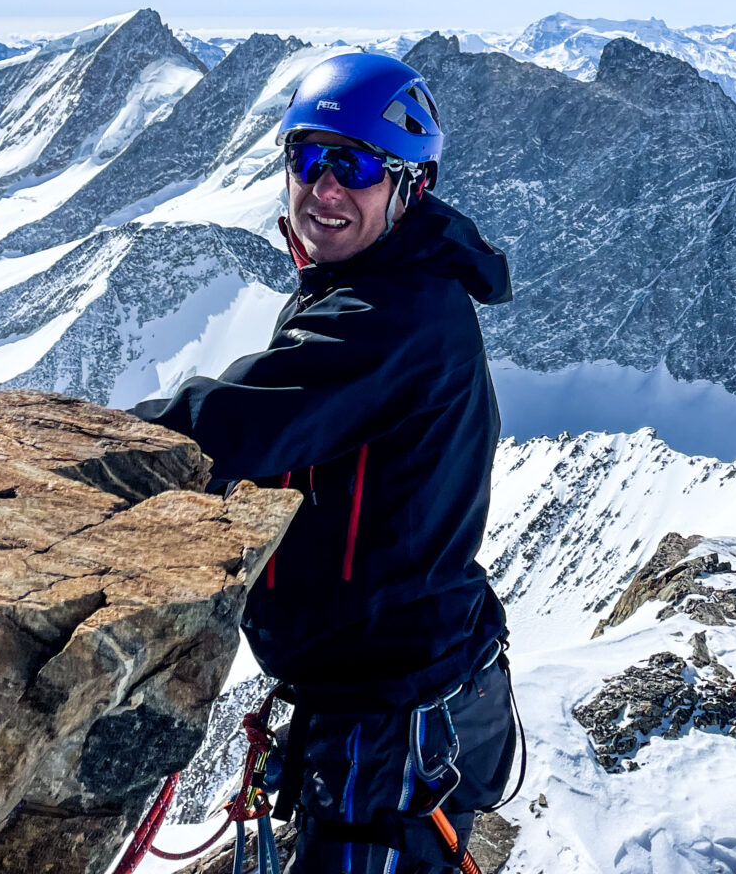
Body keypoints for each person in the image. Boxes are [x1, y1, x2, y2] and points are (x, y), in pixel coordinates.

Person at [136, 51, 518, 873]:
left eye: (355, 166)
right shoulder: (376, 282)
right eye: (308, 159)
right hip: (390, 690)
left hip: (388, 714)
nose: (326, 187)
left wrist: (73, 449)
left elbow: (239, 425)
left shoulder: (396, 312)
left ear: (408, 185)